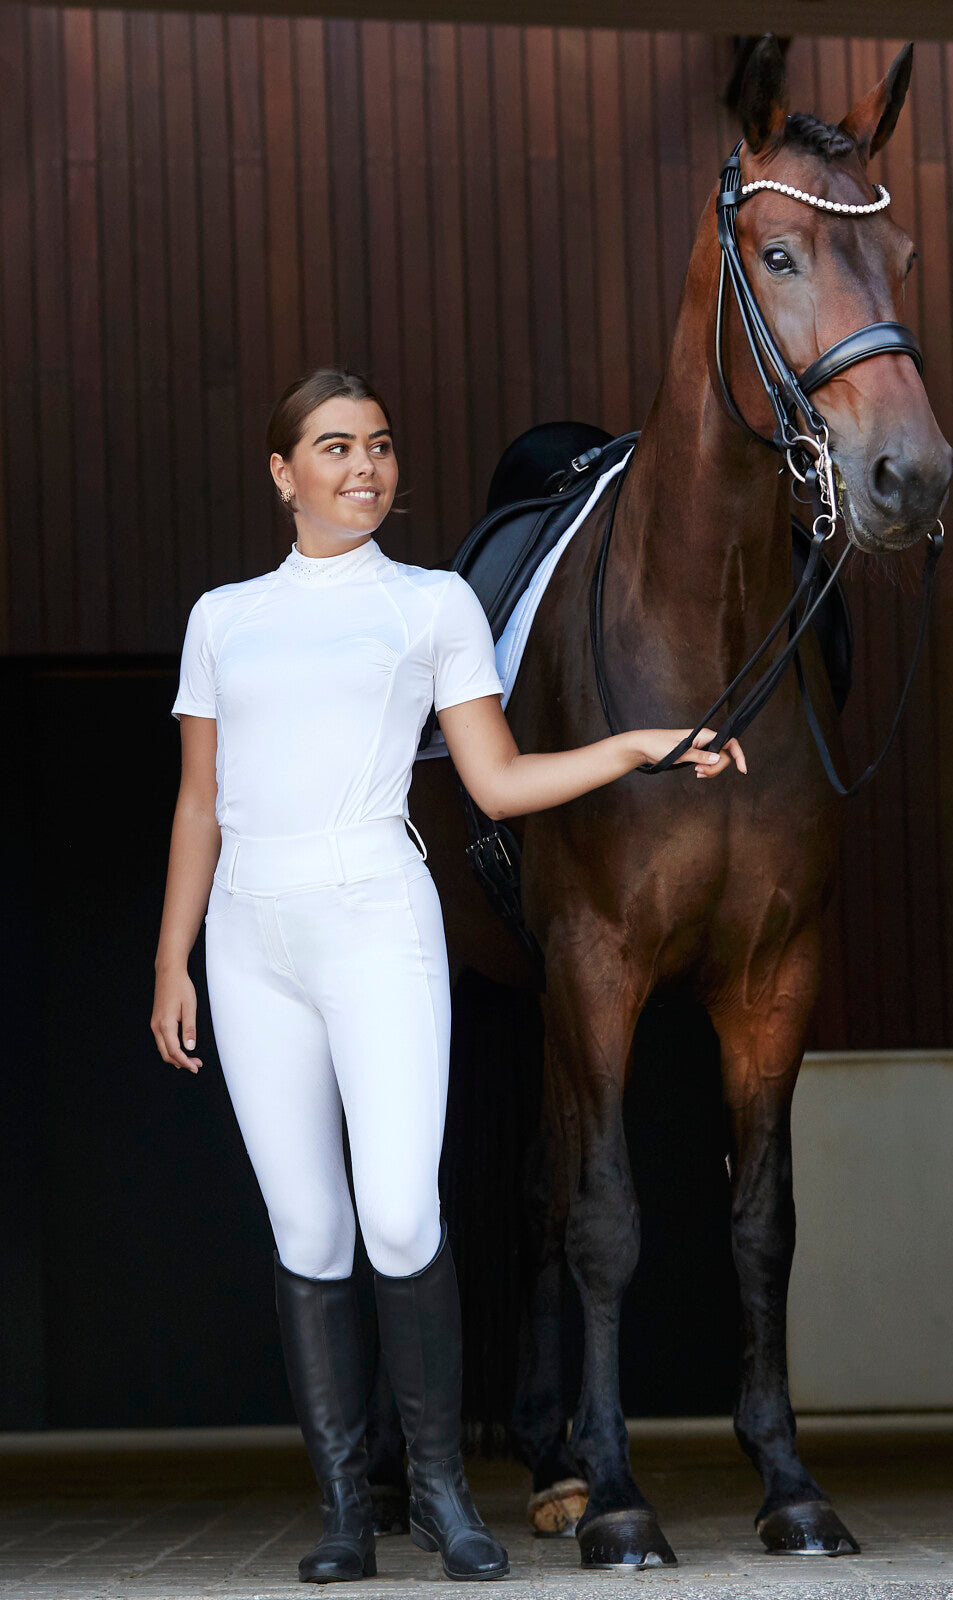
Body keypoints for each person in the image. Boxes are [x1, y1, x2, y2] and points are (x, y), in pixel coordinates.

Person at [150, 368, 746, 1585]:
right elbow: (199, 799)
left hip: (377, 912)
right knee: (308, 1227)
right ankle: (340, 1509)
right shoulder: (223, 617)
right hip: (250, 933)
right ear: (282, 474)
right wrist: (173, 956)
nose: (363, 467)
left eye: (377, 446)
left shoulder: (429, 608)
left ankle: (438, 1496)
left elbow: (497, 783)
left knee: (400, 1213)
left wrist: (636, 744)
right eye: (332, 447)